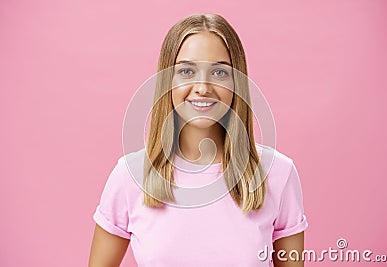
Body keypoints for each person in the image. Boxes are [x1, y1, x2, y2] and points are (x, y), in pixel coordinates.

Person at [89, 13, 308, 267]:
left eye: (218, 72)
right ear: (167, 81)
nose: (203, 87)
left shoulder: (279, 173)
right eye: (186, 71)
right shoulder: (130, 175)